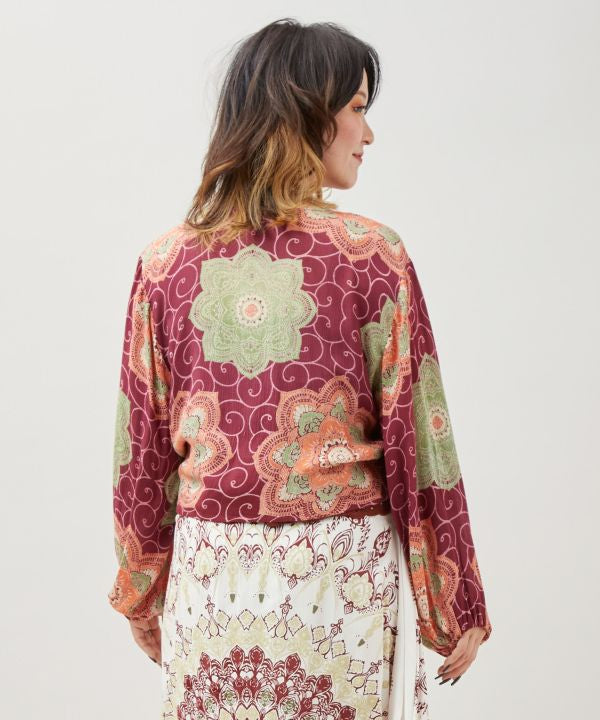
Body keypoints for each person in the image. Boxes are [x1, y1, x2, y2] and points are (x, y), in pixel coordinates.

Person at [107, 18, 492, 719]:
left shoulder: (163, 265)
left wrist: (141, 587)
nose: (368, 134)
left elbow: (141, 448)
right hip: (339, 581)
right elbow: (420, 439)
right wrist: (454, 596)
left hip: (210, 576)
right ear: (308, 112)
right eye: (357, 108)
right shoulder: (372, 257)